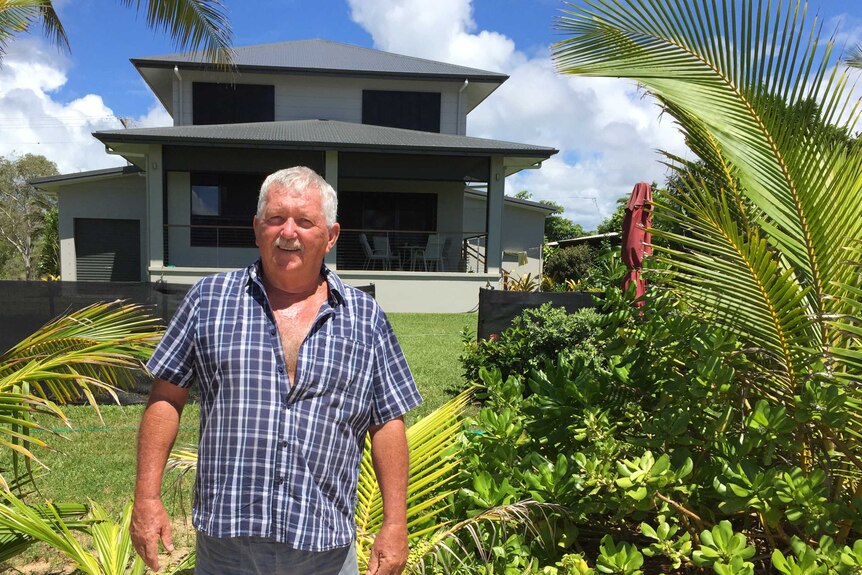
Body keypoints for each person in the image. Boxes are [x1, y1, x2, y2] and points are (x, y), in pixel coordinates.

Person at [130, 166, 422, 575]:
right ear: (256, 227)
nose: (289, 232)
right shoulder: (209, 300)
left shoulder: (365, 318)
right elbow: (166, 397)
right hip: (226, 545)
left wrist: (394, 523)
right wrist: (146, 498)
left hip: (324, 546)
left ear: (331, 236)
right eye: (275, 219)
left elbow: (388, 420)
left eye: (305, 221)